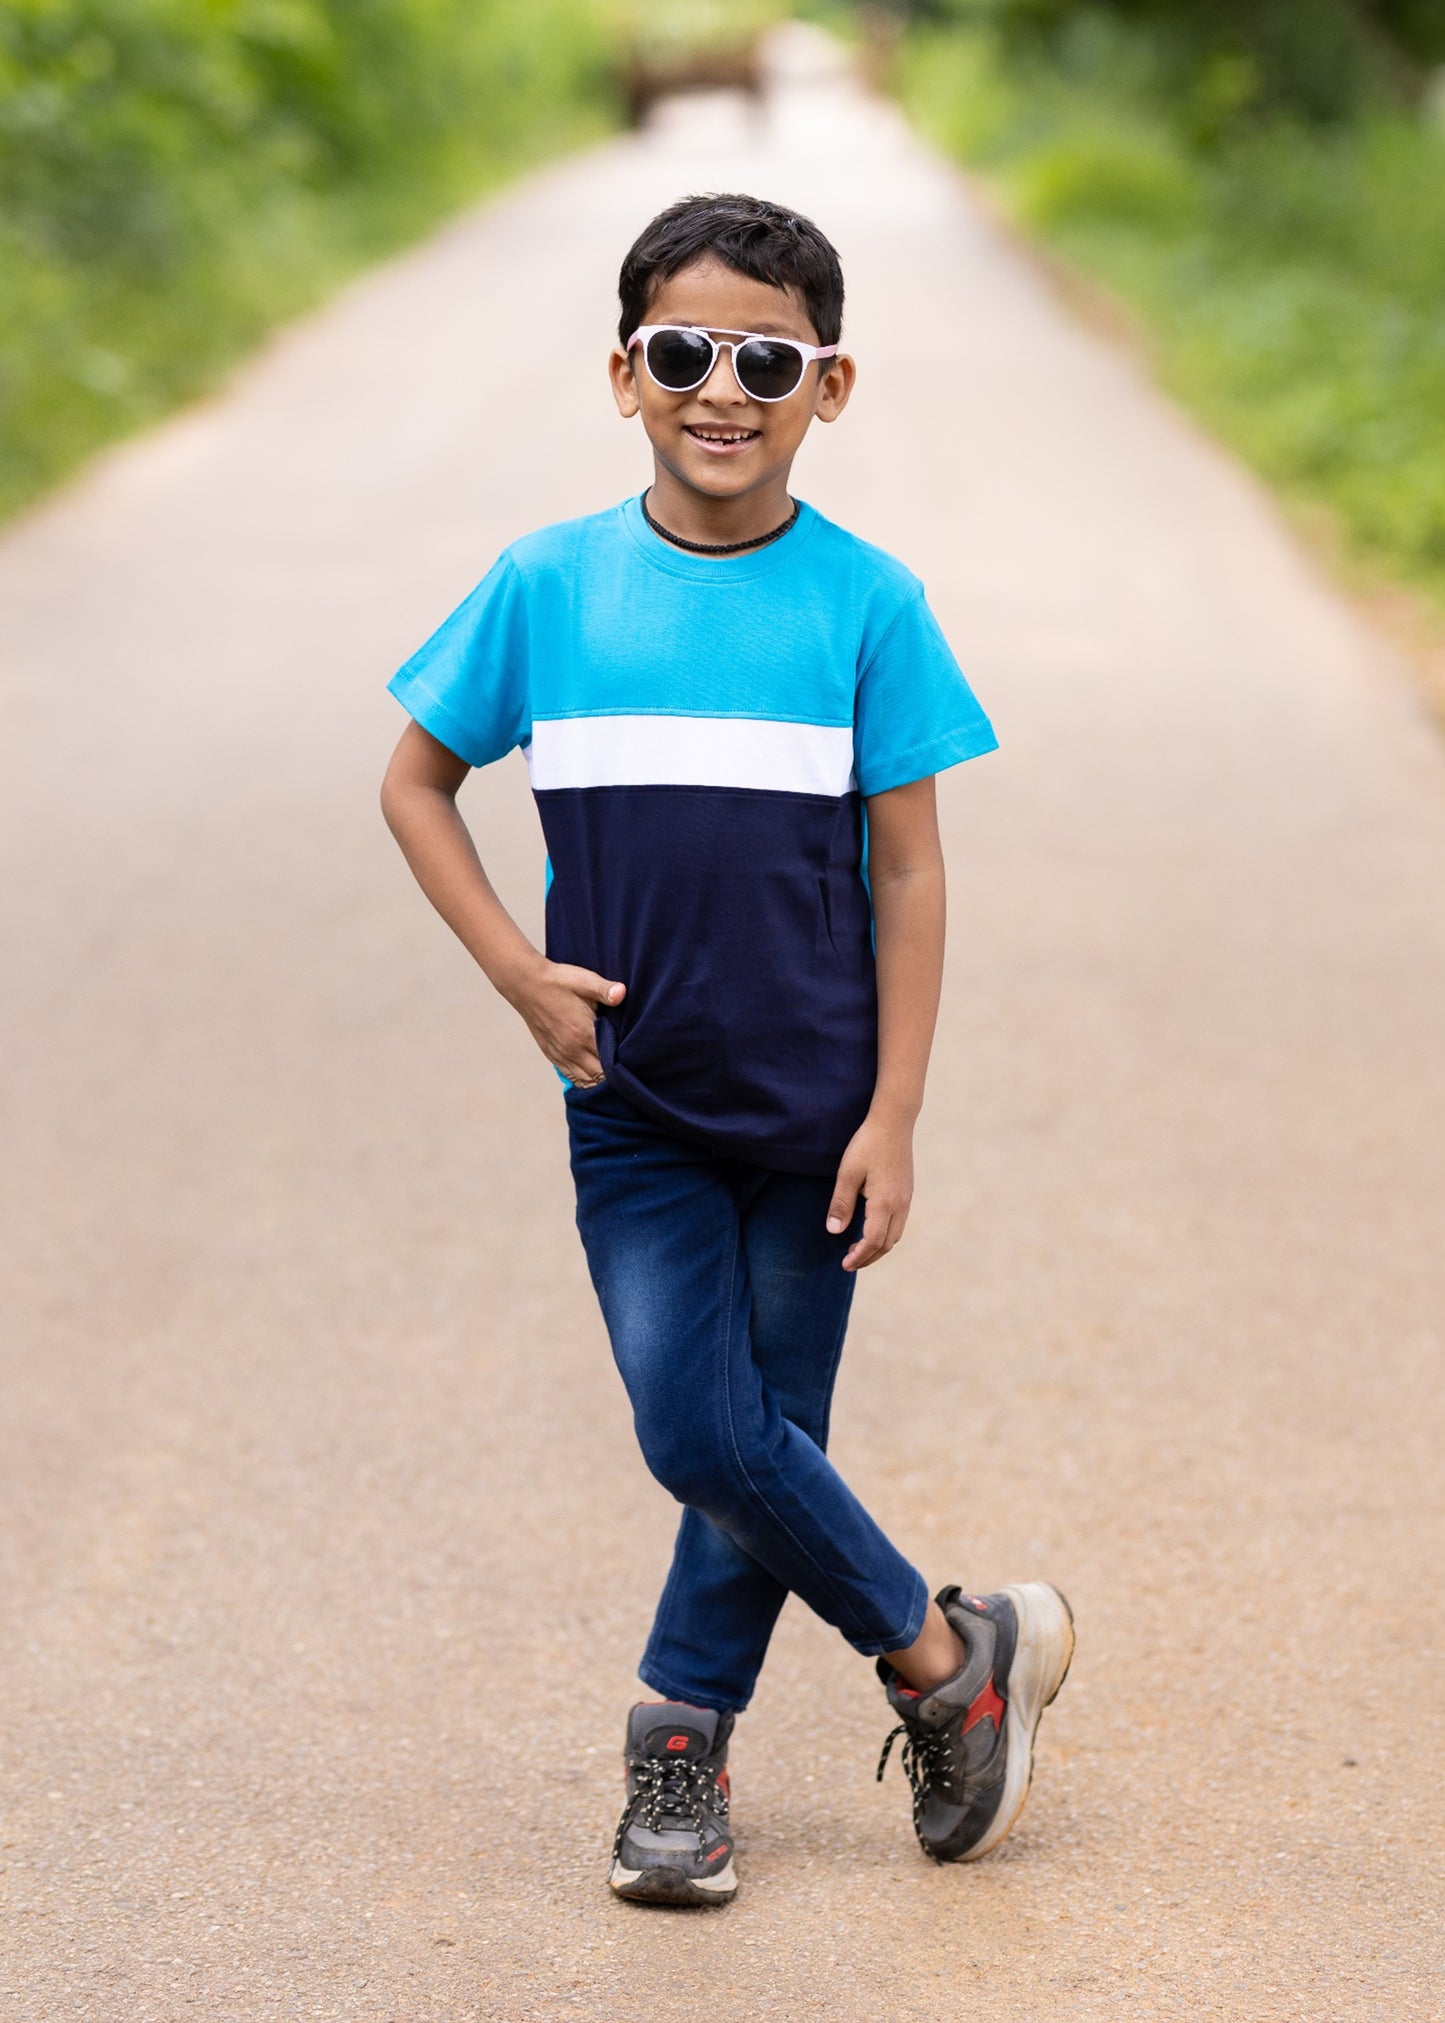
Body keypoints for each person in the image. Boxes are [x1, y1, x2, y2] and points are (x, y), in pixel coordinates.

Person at [380, 193, 1073, 1907]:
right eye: (683, 353)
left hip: (816, 1105)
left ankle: (677, 1751)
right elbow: (414, 780)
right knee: (699, 1429)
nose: (722, 390)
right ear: (626, 374)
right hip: (632, 1102)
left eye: (766, 361)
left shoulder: (866, 602)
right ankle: (943, 1654)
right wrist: (519, 977)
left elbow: (907, 866)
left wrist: (894, 1113)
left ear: (827, 386)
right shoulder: (545, 585)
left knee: (765, 1438)